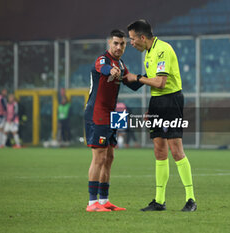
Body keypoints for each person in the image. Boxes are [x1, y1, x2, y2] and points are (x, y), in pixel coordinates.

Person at [125, 19, 197, 211]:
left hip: (171, 101)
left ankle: (191, 199)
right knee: (159, 151)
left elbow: (161, 82)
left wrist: (138, 78)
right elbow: (155, 86)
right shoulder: (149, 53)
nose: (131, 43)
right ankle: (159, 201)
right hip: (157, 102)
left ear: (142, 37)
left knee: (176, 149)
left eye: (132, 39)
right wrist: (153, 106)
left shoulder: (163, 49)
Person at [84, 29, 142, 212]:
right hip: (98, 112)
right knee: (99, 157)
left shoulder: (122, 64)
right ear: (109, 43)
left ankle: (104, 201)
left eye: (122, 44)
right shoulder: (103, 60)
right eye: (115, 43)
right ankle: (92, 203)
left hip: (114, 114)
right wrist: (112, 70)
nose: (118, 47)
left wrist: (148, 78)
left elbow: (132, 84)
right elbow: (103, 69)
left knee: (110, 157)